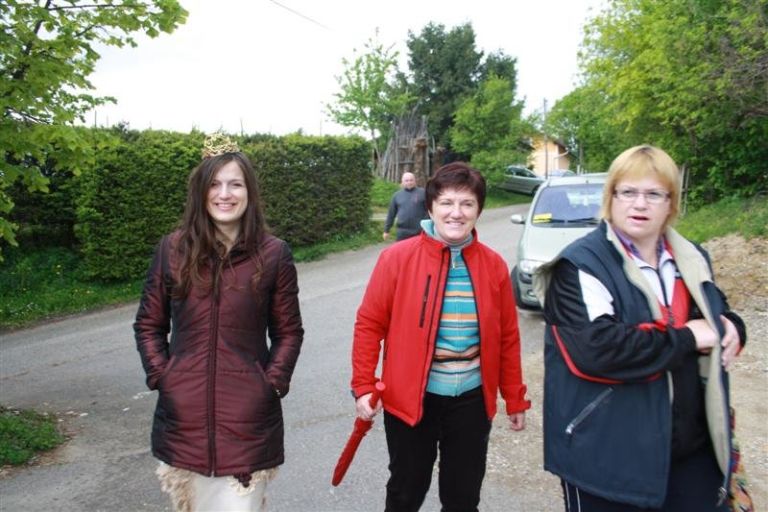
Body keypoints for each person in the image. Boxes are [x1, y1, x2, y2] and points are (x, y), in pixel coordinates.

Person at [534, 144, 750, 511]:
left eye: (653, 194)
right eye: (628, 192)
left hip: (691, 451)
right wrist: (687, 337)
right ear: (611, 197)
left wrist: (734, 327)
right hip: (607, 460)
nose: (639, 204)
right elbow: (597, 350)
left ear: (671, 203)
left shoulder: (692, 257)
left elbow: (716, 312)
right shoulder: (579, 265)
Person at [134, 133, 304, 512]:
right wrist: (164, 376)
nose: (224, 194)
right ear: (201, 191)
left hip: (249, 423)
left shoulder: (274, 254)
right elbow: (148, 324)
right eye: (214, 184)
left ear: (249, 192)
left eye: (235, 184)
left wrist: (270, 383)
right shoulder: (172, 250)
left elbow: (288, 332)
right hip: (184, 422)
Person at [352, 162, 531, 512]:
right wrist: (363, 384)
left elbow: (507, 338)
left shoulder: (493, 265)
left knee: (463, 498)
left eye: (467, 204)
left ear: (479, 210)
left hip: (471, 402)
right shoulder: (396, 259)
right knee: (405, 493)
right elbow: (369, 324)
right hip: (411, 401)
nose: (456, 213)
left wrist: (515, 398)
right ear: (431, 207)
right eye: (447, 202)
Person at [382, 171, 429, 241]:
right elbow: (391, 214)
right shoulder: (397, 196)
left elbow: (430, 211)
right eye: (406, 180)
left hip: (419, 231)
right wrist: (386, 230)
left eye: (411, 180)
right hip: (402, 232)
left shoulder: (423, 193)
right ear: (402, 182)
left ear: (415, 181)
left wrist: (427, 226)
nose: (409, 182)